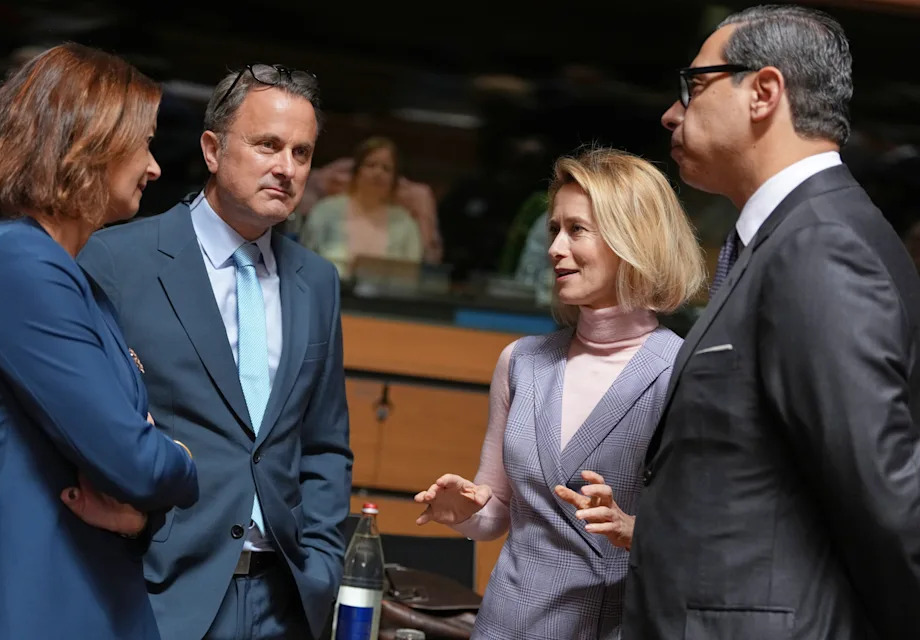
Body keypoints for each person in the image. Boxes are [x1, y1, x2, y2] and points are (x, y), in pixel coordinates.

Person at [623, 6, 920, 639]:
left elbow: (882, 493)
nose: (672, 113)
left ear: (763, 92)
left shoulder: (820, 245)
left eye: (694, 86)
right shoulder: (787, 237)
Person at [78, 64, 353, 639]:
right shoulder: (118, 260)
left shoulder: (317, 281)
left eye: (301, 153)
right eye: (267, 145)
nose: (286, 167)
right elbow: (85, 427)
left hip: (285, 598)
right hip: (157, 591)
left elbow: (324, 443)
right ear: (211, 149)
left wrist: (322, 563)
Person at [413, 147, 705, 639]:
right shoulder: (520, 362)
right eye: (554, 229)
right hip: (504, 625)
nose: (554, 248)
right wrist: (464, 513)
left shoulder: (681, 373)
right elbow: (496, 512)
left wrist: (633, 529)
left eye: (576, 230)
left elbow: (704, 539)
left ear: (632, 238)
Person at [0, 43, 198, 640]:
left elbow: (120, 462)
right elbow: (133, 459)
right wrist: (183, 460)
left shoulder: (69, 276)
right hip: (25, 600)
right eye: (144, 143)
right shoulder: (17, 261)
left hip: (75, 590)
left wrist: (139, 512)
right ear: (91, 142)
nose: (155, 167)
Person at [301, 136, 423, 278]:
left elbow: (411, 276)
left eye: (386, 169)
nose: (378, 173)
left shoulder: (406, 224)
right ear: (357, 171)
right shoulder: (325, 211)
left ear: (394, 179)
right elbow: (305, 262)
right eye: (371, 165)